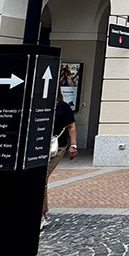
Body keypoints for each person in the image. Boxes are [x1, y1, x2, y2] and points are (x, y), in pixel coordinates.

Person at [44, 89, 77, 228]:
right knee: (39, 178)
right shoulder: (39, 105)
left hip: (57, 146)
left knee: (41, 177)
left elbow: (71, 127)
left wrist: (73, 145)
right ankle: (41, 211)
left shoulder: (63, 106)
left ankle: (41, 213)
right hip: (37, 146)